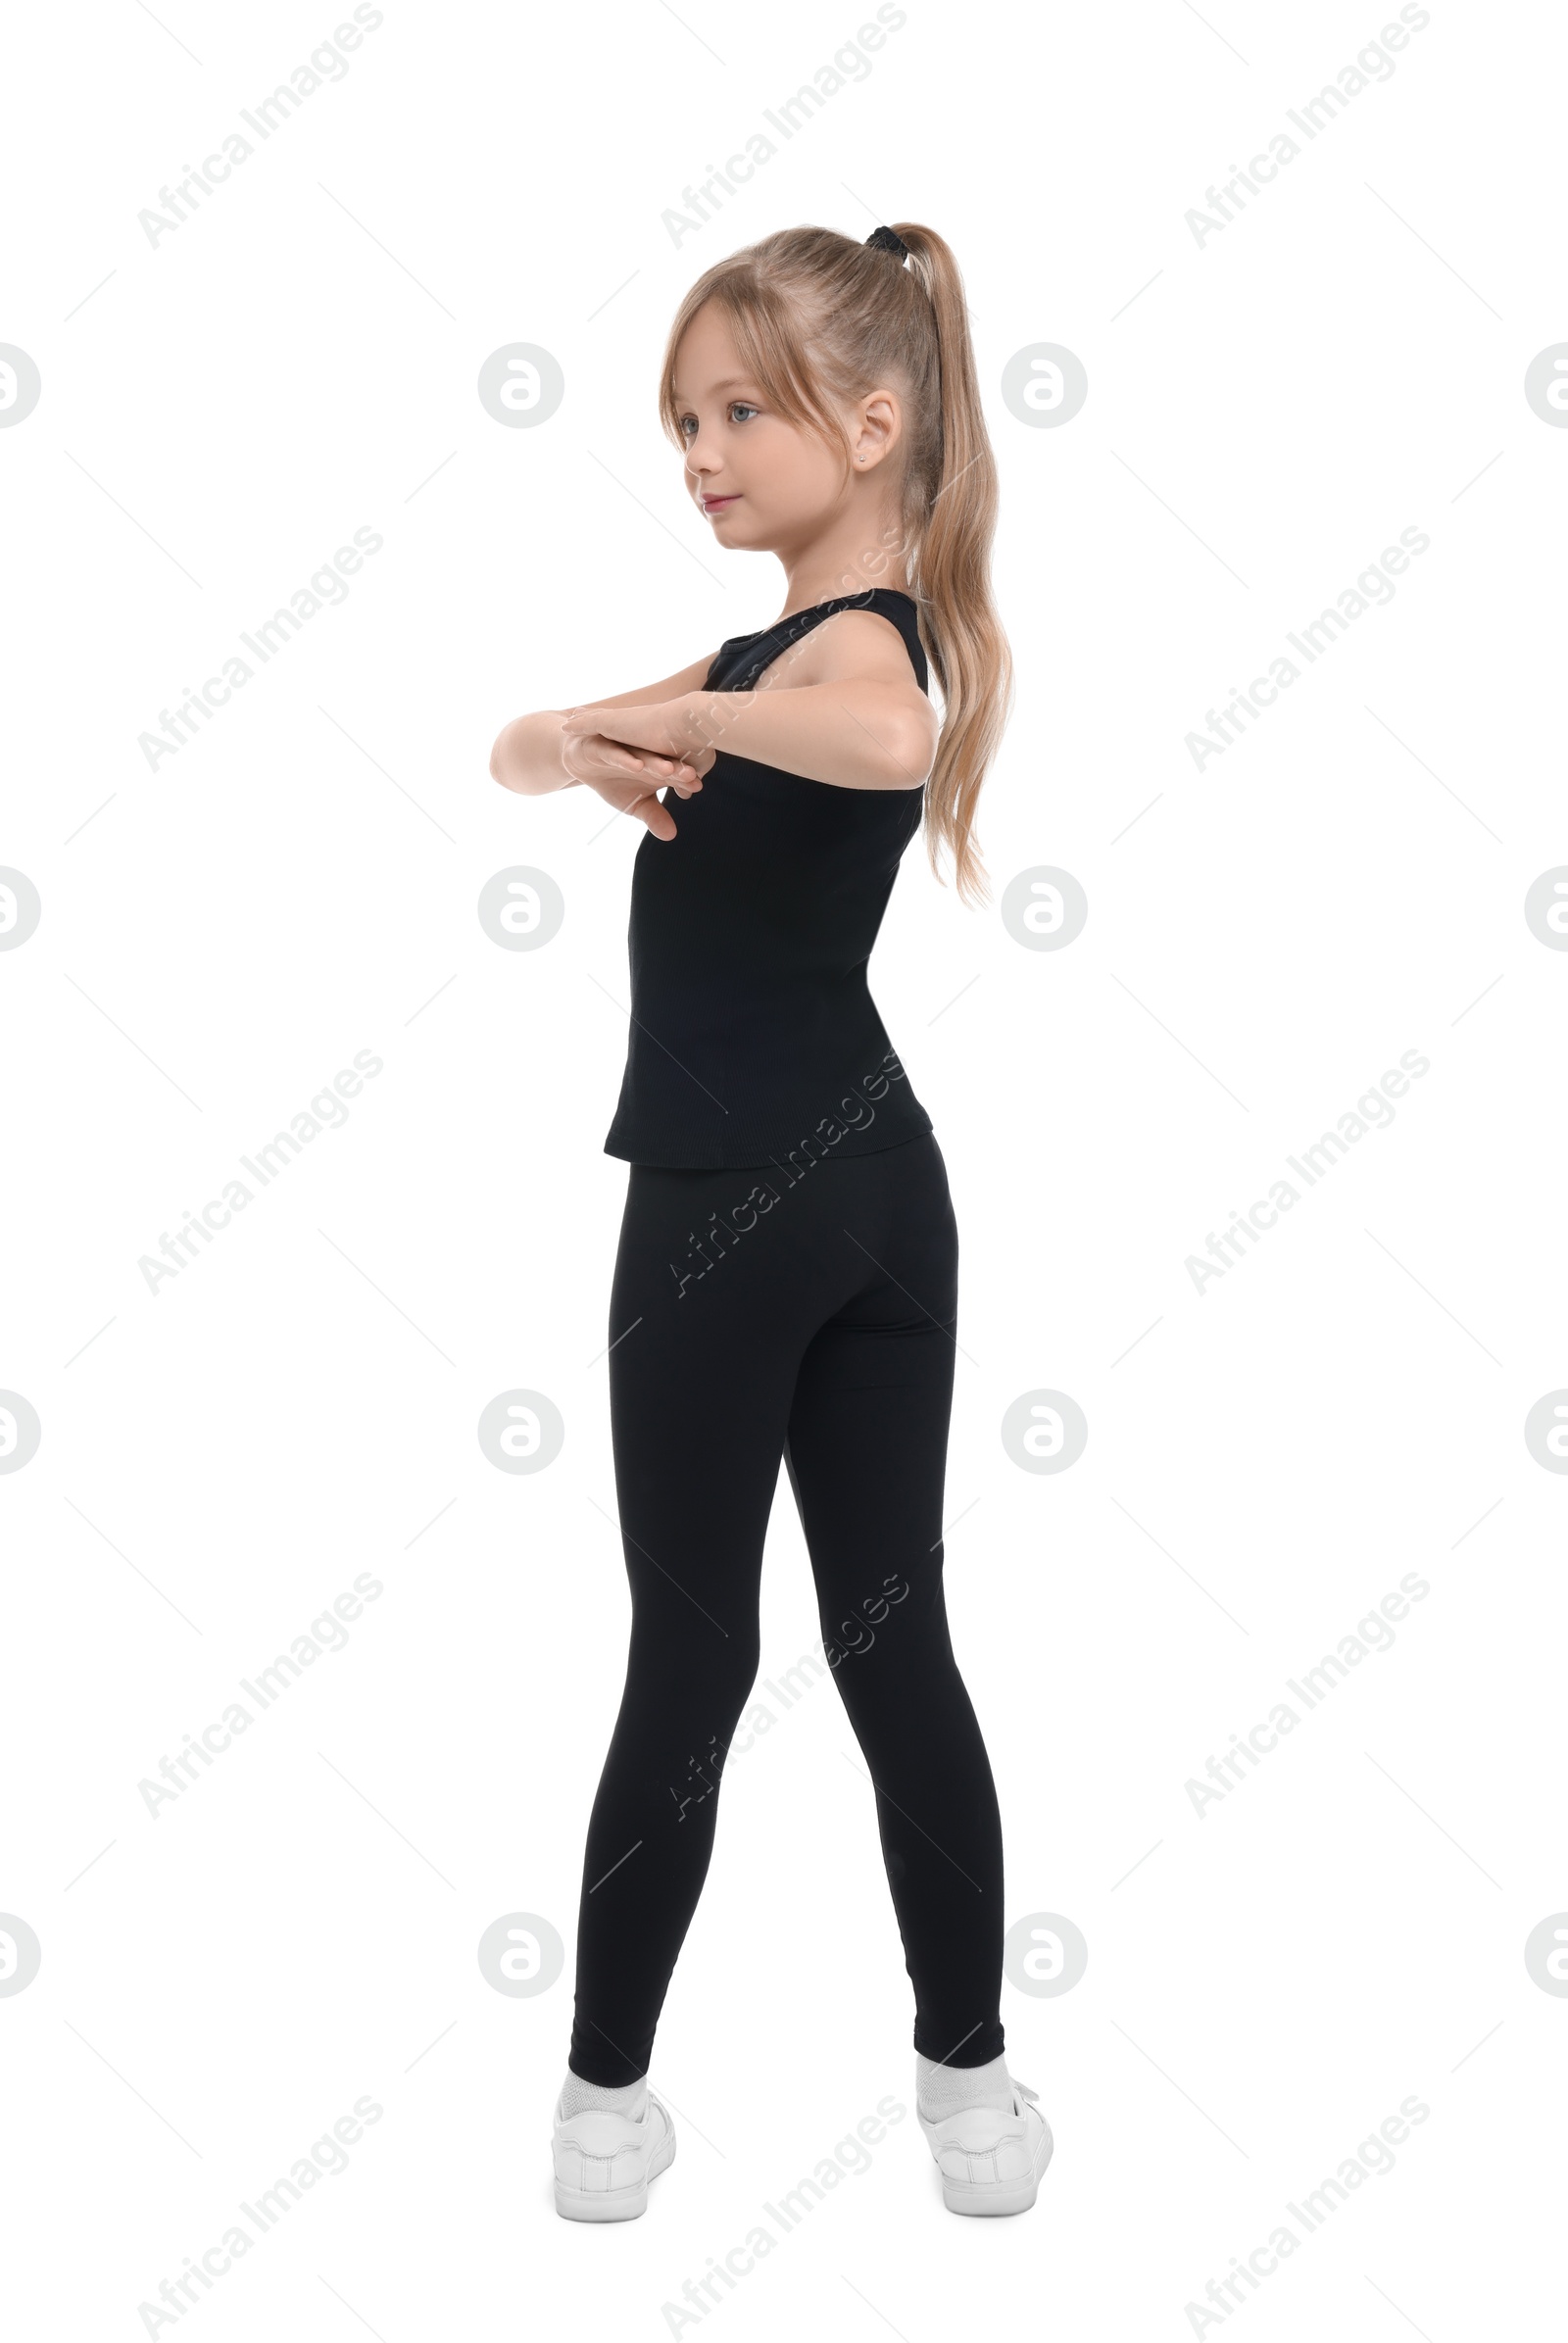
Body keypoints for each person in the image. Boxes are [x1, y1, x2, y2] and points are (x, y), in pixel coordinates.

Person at [490, 220, 1052, 2222]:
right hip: (872, 1197)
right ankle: (956, 2086)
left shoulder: (849, 651)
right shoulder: (748, 656)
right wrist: (576, 738)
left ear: (872, 422)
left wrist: (684, 730)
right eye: (684, 419)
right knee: (844, 1644)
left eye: (740, 408)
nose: (702, 447)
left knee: (721, 1649)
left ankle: (611, 2097)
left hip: (738, 1208)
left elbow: (886, 735)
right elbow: (514, 741)